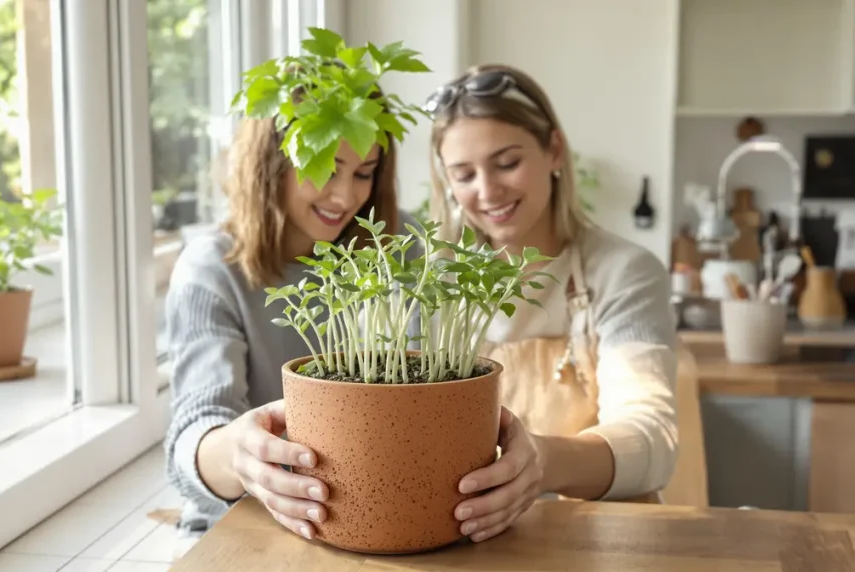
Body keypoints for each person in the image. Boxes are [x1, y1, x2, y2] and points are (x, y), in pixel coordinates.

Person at [424, 63, 679, 542]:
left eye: (507, 163)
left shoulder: (624, 272)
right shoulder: (433, 285)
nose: (487, 191)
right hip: (468, 540)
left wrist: (540, 462)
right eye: (464, 174)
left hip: (604, 541)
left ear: (554, 150)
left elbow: (653, 440)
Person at [163, 103, 418, 540]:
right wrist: (239, 456)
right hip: (246, 528)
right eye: (323, 167)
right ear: (269, 162)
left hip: (379, 519)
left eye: (364, 172)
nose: (344, 196)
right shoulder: (212, 269)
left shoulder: (401, 247)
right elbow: (193, 439)